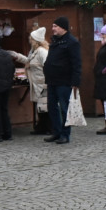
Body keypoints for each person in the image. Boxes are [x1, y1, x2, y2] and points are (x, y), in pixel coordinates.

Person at [42, 17, 81, 145]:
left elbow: (76, 63)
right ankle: (57, 132)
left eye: (55, 26)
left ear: (63, 27)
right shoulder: (55, 41)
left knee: (65, 109)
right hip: (52, 80)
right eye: (53, 26)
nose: (53, 29)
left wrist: (75, 82)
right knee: (52, 107)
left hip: (64, 81)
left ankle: (65, 134)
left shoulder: (72, 42)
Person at [10, 27, 50, 135]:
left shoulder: (42, 52)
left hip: (42, 82)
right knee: (40, 107)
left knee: (44, 107)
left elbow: (48, 66)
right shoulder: (34, 51)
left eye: (31, 38)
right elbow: (28, 61)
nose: (29, 40)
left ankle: (47, 128)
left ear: (36, 40)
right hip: (36, 82)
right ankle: (42, 127)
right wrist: (17, 56)